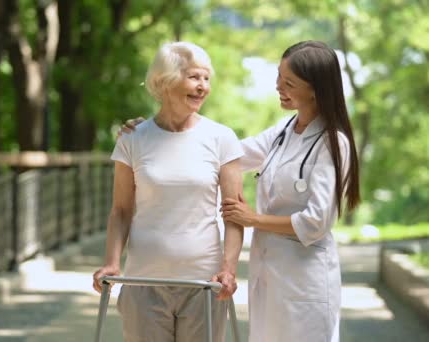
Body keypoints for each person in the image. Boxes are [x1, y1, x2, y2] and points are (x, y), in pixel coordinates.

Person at [120, 40, 360, 342]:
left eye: (289, 83)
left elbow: (315, 222)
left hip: (306, 281)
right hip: (269, 276)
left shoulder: (333, 143)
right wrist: (153, 133)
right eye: (278, 77)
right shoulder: (283, 132)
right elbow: (216, 155)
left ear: (315, 89)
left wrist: (252, 219)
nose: (278, 87)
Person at [92, 41, 244, 342]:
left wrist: (229, 269)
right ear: (165, 80)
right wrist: (111, 262)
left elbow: (234, 212)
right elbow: (121, 210)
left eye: (206, 78)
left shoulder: (221, 138)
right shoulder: (133, 139)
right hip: (144, 279)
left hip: (204, 282)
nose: (203, 86)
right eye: (194, 77)